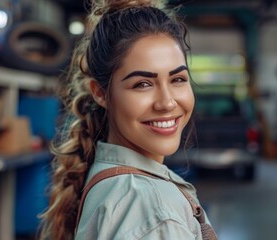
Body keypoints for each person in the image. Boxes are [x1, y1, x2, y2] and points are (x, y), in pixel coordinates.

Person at [39, 0, 217, 239]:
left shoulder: (111, 179)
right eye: (142, 84)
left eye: (177, 79)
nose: (167, 103)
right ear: (100, 93)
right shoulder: (153, 210)